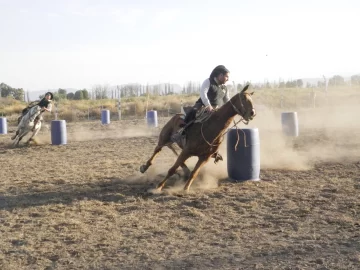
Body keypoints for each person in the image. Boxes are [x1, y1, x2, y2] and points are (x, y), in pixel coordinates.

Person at [172, 65, 230, 142]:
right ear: (220, 75)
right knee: (193, 112)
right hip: (203, 105)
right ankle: (181, 133)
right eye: (227, 76)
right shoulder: (208, 81)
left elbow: (227, 100)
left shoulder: (225, 88)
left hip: (217, 108)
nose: (228, 79)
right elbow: (203, 94)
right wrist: (208, 105)